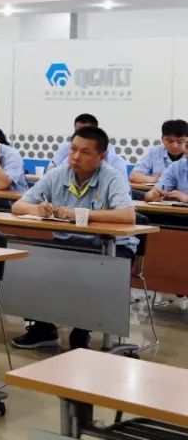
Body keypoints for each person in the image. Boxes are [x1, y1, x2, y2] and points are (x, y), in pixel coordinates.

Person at [11, 125, 136, 350]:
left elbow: (128, 215)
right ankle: (44, 328)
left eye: (85, 152)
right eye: (73, 149)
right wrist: (37, 209)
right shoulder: (58, 174)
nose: (76, 157)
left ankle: (82, 329)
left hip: (111, 246)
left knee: (87, 270)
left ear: (101, 156)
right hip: (69, 242)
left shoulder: (112, 177)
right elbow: (18, 206)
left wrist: (80, 214)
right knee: (35, 264)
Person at [49, 114, 129, 178]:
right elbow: (51, 170)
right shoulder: (67, 149)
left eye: (86, 134)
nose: (76, 157)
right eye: (78, 132)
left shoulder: (112, 156)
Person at [132, 119, 188, 184]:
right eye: (170, 141)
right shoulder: (154, 152)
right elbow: (134, 175)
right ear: (162, 139)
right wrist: (153, 179)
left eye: (180, 142)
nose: (174, 146)